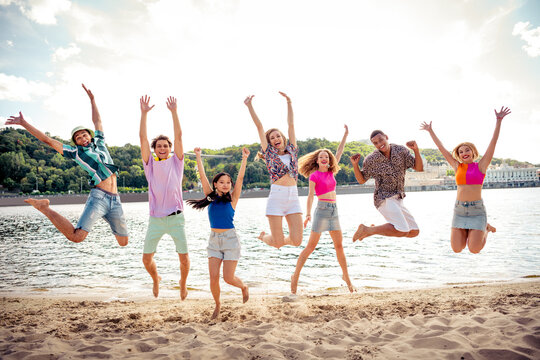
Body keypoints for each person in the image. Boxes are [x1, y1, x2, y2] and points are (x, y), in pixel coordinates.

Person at [5, 84, 128, 246]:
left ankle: (104, 216)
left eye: (84, 135)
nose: (83, 138)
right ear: (76, 142)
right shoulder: (75, 152)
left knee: (123, 242)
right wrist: (24, 123)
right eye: (78, 138)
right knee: (76, 237)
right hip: (99, 198)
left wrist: (92, 100)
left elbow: (97, 121)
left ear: (89, 136)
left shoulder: (100, 143)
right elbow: (47, 140)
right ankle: (44, 207)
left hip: (115, 199)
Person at [420, 107, 510, 253]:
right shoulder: (457, 166)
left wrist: (498, 121)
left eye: (467, 150)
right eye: (461, 152)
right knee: (457, 249)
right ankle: (479, 229)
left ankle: (485, 228)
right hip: (459, 210)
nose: (464, 153)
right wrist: (430, 131)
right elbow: (441, 147)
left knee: (474, 249)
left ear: (473, 151)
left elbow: (493, 143)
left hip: (477, 210)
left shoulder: (481, 166)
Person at [187, 147, 250, 319]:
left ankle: (243, 287)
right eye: (222, 182)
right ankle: (217, 304)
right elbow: (202, 176)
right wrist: (198, 157)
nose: (225, 184)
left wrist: (244, 159)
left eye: (228, 182)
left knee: (228, 278)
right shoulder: (210, 197)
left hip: (230, 240)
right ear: (216, 184)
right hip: (214, 241)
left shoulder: (233, 199)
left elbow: (241, 177)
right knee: (213, 277)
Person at [291, 125, 354, 295]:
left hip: (334, 211)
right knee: (311, 247)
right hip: (321, 210)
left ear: (329, 160)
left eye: (326, 156)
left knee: (339, 246)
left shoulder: (332, 171)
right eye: (321, 157)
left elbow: (339, 151)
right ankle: (295, 276)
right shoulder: (314, 175)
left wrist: (345, 135)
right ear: (317, 161)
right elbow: (310, 195)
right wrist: (308, 213)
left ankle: (346, 277)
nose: (324, 158)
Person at [139, 95, 190, 299]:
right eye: (159, 146)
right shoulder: (149, 164)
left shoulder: (177, 162)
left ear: (169, 149)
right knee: (146, 259)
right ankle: (156, 278)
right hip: (156, 219)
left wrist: (174, 112)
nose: (162, 148)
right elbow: (142, 138)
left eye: (165, 146)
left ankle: (183, 283)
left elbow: (178, 136)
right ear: (155, 150)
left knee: (184, 259)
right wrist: (143, 114)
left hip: (176, 218)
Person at [244, 92, 302, 248]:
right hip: (277, 197)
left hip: (293, 197)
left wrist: (289, 102)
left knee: (297, 241)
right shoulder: (269, 153)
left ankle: (279, 237)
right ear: (269, 142)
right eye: (272, 138)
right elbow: (259, 126)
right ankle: (264, 237)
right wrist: (250, 106)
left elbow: (291, 125)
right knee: (277, 243)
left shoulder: (292, 150)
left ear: (283, 138)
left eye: (278, 136)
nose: (276, 139)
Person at [350, 130, 423, 241]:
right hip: (384, 198)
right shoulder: (371, 160)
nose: (379, 144)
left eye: (381, 140)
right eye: (376, 143)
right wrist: (355, 165)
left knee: (414, 231)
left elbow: (419, 168)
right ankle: (367, 230)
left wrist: (416, 150)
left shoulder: (400, 151)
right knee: (402, 229)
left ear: (386, 137)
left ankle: (370, 230)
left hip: (398, 197)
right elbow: (361, 180)